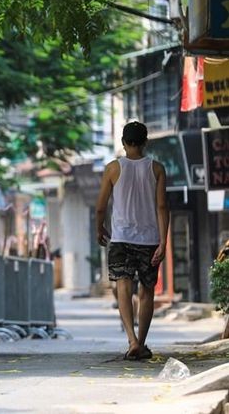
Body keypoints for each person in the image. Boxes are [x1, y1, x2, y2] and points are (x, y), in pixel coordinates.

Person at [95, 121, 169, 361]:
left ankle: (132, 340)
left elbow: (100, 206)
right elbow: (161, 207)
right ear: (145, 141)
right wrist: (163, 242)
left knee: (123, 287)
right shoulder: (157, 169)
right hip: (149, 239)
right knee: (147, 291)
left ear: (123, 143)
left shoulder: (112, 168)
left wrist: (99, 228)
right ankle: (142, 342)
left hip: (121, 239)